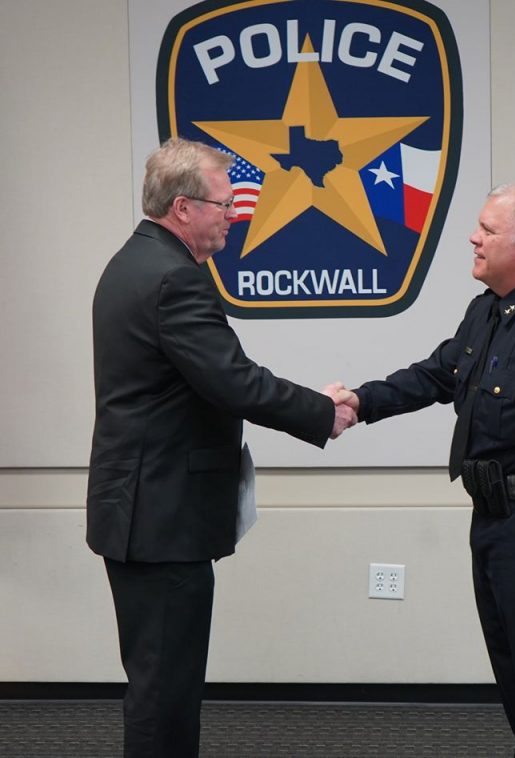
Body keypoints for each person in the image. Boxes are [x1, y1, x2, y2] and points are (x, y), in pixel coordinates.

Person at [86, 137, 356, 758]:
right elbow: (234, 381)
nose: (235, 214)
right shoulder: (174, 279)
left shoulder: (132, 263)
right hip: (161, 519)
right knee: (165, 692)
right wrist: (323, 411)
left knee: (159, 682)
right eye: (224, 203)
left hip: (141, 510)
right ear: (183, 208)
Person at [334, 183, 515, 757]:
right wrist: (359, 403)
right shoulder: (490, 309)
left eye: (488, 230)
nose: (473, 237)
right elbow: (437, 374)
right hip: (493, 521)